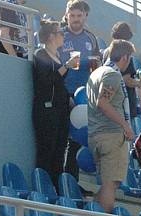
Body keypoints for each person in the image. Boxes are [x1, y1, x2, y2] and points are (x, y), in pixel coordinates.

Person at [86, 39, 136, 213]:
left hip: (96, 134)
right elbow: (103, 102)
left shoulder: (96, 72)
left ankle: (93, 208)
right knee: (111, 184)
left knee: (109, 183)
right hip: (112, 135)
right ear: (125, 57)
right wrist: (126, 126)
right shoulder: (112, 75)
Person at [32, 19, 77, 189]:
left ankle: (56, 188)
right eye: (60, 33)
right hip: (46, 109)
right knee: (46, 150)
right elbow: (47, 80)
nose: (63, 36)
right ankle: (43, 188)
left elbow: (58, 82)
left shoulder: (57, 55)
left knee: (59, 152)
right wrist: (66, 66)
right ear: (51, 36)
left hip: (60, 109)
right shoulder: (40, 54)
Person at [59, 0, 99, 178]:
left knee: (76, 140)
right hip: (62, 91)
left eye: (79, 15)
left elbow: (97, 67)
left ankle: (70, 181)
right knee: (59, 137)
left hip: (84, 96)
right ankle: (57, 179)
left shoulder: (91, 38)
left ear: (85, 16)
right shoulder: (59, 35)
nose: (75, 19)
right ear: (67, 15)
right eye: (72, 15)